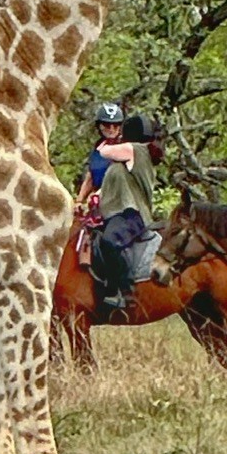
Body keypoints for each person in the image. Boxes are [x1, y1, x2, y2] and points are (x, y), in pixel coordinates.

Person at [74, 105, 157, 313]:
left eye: (115, 125)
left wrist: (98, 194)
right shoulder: (100, 148)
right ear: (99, 126)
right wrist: (81, 199)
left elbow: (110, 166)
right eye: (107, 124)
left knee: (110, 241)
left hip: (128, 210)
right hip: (106, 208)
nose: (111, 128)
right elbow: (93, 176)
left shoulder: (128, 148)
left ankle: (124, 291)